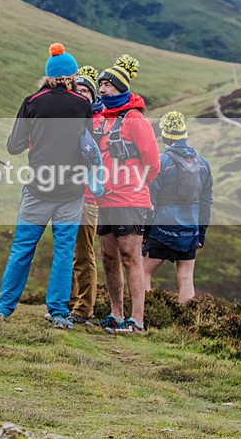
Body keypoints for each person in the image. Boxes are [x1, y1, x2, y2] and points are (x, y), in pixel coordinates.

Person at [0, 43, 92, 329]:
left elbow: (14, 146)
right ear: (72, 76)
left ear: (47, 76)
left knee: (22, 249)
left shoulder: (32, 102)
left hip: (38, 188)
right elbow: (90, 144)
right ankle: (59, 313)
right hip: (72, 191)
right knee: (63, 252)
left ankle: (3, 310)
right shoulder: (82, 104)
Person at [94, 55, 160, 334]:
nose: (103, 89)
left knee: (131, 257)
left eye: (108, 84)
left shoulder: (136, 120)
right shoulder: (99, 119)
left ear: (121, 88)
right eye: (101, 84)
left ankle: (138, 320)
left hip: (130, 200)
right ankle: (116, 313)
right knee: (109, 257)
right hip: (104, 199)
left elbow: (153, 162)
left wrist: (136, 184)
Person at [143, 111, 213, 304]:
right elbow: (206, 203)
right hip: (190, 230)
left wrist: (146, 232)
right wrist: (201, 233)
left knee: (143, 273)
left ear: (165, 136)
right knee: (185, 278)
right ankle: (187, 322)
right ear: (185, 135)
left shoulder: (161, 162)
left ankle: (148, 316)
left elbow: (151, 201)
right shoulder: (203, 164)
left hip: (163, 228)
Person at [68, 65, 102, 324]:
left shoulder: (97, 123)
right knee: (68, 253)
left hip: (87, 196)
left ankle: (84, 309)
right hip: (67, 194)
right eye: (76, 89)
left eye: (85, 91)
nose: (80, 95)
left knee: (83, 253)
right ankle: (71, 303)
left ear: (92, 96)